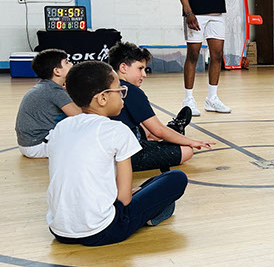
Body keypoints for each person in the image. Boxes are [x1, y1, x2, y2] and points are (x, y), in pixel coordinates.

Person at [46, 61, 188, 246]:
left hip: (60, 231)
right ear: (102, 98)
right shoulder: (116, 130)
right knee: (176, 178)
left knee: (150, 184)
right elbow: (124, 199)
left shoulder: (61, 128)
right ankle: (151, 215)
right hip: (103, 230)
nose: (122, 95)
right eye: (119, 90)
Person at [108, 42, 214, 172]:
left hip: (109, 150)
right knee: (186, 150)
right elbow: (158, 130)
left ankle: (173, 130)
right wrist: (191, 141)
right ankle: (174, 131)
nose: (144, 74)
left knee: (145, 128)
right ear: (123, 68)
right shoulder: (132, 91)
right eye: (140, 68)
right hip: (127, 155)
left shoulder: (105, 86)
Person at [15, 49, 81, 158]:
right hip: (37, 146)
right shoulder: (54, 91)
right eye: (67, 62)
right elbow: (79, 115)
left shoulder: (46, 86)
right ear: (57, 71)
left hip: (29, 144)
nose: (71, 64)